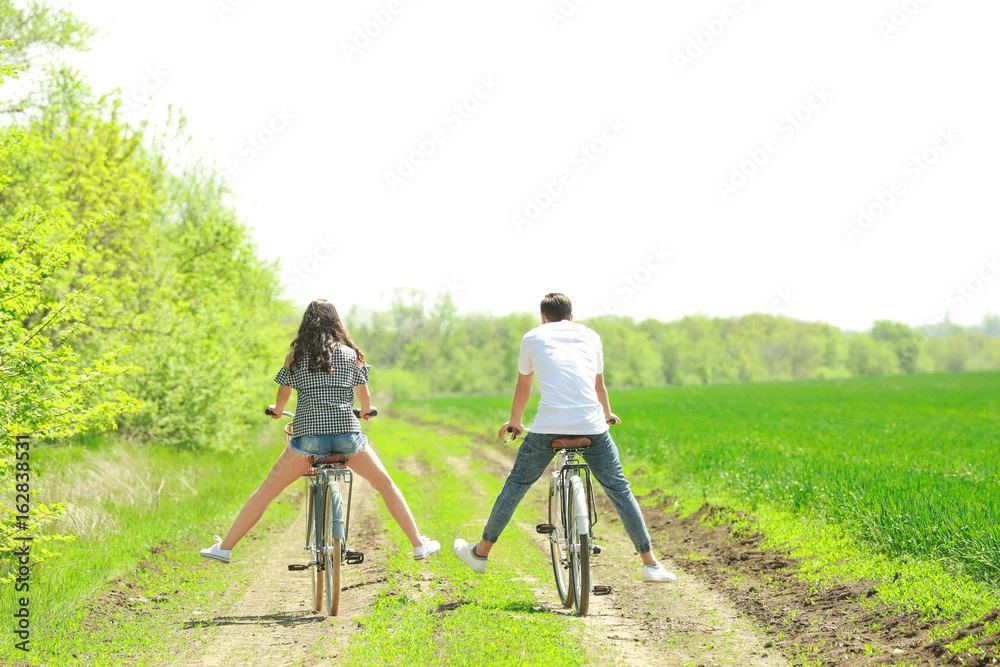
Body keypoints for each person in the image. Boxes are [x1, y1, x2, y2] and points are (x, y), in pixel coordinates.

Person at [453, 293, 675, 583]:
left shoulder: (532, 337)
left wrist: (515, 423)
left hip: (548, 428)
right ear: (571, 317)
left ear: (543, 318)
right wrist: (607, 414)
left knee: (517, 484)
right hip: (592, 427)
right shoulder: (591, 335)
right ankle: (650, 563)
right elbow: (598, 384)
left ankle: (481, 553)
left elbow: (524, 386)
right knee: (619, 489)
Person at [200, 299, 439, 564]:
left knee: (265, 492)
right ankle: (418, 545)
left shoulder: (296, 357)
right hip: (347, 437)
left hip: (309, 439)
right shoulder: (351, 355)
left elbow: (283, 394)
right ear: (336, 323)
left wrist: (278, 410)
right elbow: (364, 396)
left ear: (307, 324)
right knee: (385, 485)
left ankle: (225, 548)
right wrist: (366, 410)